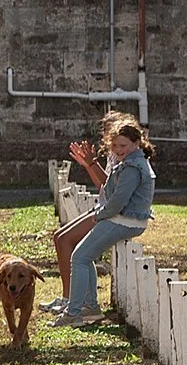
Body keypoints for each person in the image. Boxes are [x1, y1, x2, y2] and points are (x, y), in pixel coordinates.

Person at [51, 117, 156, 327]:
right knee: (83, 255)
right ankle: (89, 307)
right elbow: (108, 188)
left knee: (79, 257)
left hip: (125, 220)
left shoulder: (133, 167)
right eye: (115, 145)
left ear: (137, 143)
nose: (118, 150)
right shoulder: (128, 162)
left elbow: (117, 202)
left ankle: (74, 312)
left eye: (123, 145)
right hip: (122, 218)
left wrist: (98, 215)